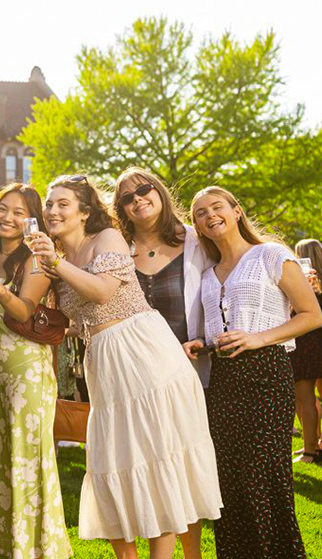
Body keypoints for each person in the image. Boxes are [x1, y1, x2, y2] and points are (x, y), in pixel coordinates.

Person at [31, 175, 222, 559]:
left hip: (145, 356)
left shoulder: (108, 240)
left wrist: (55, 264)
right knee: (110, 464)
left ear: (84, 212)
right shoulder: (55, 260)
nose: (53, 210)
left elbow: (103, 291)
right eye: (49, 204)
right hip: (101, 362)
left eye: (62, 204)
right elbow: (65, 318)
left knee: (154, 463)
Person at [185, 187, 321, 558]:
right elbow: (222, 330)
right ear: (196, 225)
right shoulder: (207, 275)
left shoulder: (271, 255)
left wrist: (259, 338)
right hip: (224, 383)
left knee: (264, 477)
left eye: (217, 207)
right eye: (200, 212)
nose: (210, 215)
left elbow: (312, 315)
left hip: (266, 376)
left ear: (236, 211)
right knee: (229, 483)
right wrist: (202, 344)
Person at [112, 167, 214, 558]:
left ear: (159, 191)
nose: (138, 199)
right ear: (121, 209)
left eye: (144, 189)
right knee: (145, 469)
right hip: (132, 379)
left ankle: (191, 555)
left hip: (184, 373)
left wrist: (206, 340)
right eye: (127, 197)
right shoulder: (117, 249)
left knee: (183, 468)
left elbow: (224, 283)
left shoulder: (195, 240)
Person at [0, 183, 72, 559]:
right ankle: (7, 544)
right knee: (0, 458)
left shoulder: (36, 260)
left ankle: (36, 550)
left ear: (32, 220)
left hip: (27, 370)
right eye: (3, 209)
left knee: (29, 457)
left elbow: (25, 311)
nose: (7, 218)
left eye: (18, 212)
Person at [292, 238, 322, 464]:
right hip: (313, 341)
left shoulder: (302, 279)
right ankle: (315, 444)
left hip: (306, 342)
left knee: (304, 397)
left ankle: (310, 450)